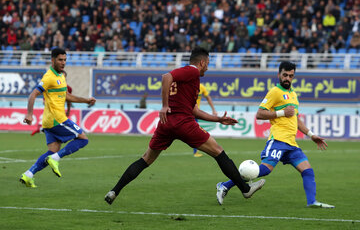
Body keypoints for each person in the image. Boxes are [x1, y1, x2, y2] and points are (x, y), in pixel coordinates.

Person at [104, 47, 265, 205]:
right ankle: (245, 189)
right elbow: (166, 76)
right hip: (183, 122)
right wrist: (164, 105)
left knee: (146, 159)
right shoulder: (192, 71)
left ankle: (114, 191)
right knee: (218, 152)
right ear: (202, 62)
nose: (208, 67)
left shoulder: (190, 81)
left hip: (166, 124)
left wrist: (218, 119)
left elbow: (194, 110)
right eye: (208, 63)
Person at [215, 61, 335, 208]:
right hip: (278, 140)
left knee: (308, 171)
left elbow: (295, 119)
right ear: (279, 75)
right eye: (285, 75)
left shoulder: (293, 95)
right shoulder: (275, 92)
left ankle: (312, 202)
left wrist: (311, 135)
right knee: (263, 170)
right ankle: (224, 186)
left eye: (291, 76)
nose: (288, 78)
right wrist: (282, 112)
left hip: (291, 144)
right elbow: (259, 114)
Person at [20, 48, 96, 188]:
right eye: (60, 60)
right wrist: (29, 114)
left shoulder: (61, 76)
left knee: (52, 150)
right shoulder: (49, 77)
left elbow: (68, 96)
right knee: (83, 139)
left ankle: (28, 175)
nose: (63, 62)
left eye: (65, 60)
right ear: (53, 60)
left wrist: (86, 100)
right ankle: (55, 159)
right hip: (57, 119)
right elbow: (33, 94)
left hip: (49, 121)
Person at [193, 83, 217, 157]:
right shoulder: (188, 85)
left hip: (196, 113)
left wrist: (213, 110)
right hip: (187, 112)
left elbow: (208, 98)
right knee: (194, 132)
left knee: (195, 132)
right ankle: (195, 151)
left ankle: (195, 151)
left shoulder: (201, 87)